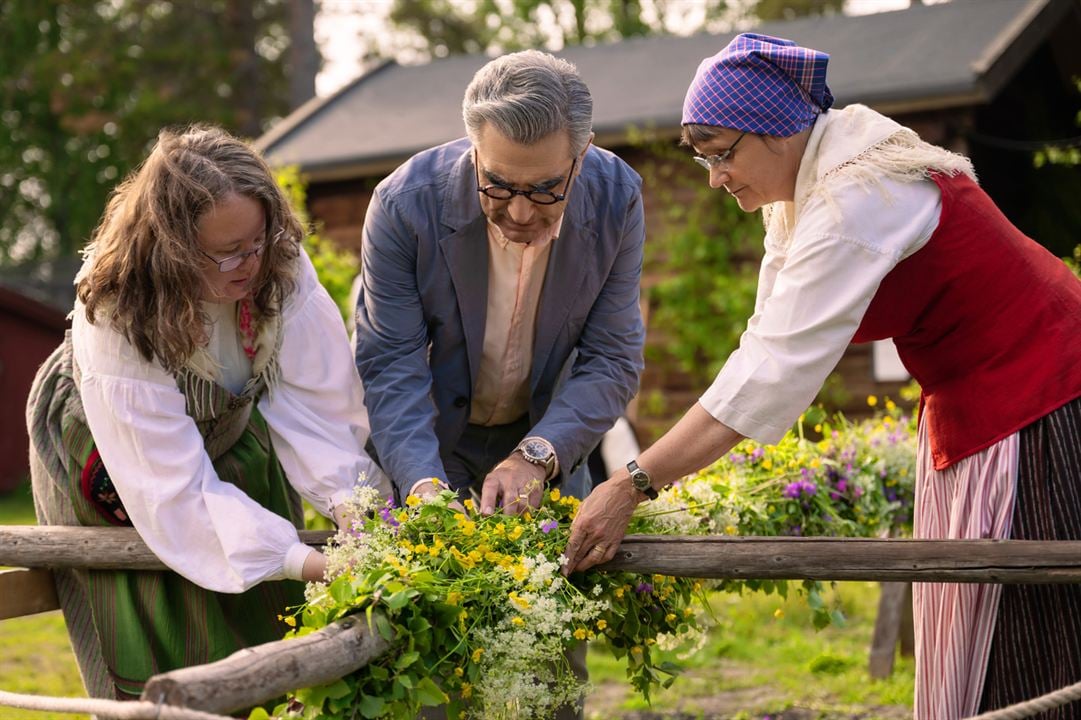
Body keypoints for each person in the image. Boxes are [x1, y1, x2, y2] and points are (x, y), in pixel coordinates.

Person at [563, 32, 1081, 720]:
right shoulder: (807, 194)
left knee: (1029, 632)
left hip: (1038, 398)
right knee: (980, 620)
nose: (714, 177)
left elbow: (773, 370)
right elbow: (761, 347)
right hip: (979, 406)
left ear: (776, 131)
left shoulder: (858, 196)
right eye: (703, 159)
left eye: (721, 153)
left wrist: (632, 484)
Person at [27, 124, 387, 700]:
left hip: (230, 427)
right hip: (112, 456)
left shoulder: (280, 264)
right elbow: (171, 488)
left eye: (256, 242)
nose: (248, 265)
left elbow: (318, 408)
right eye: (224, 254)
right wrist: (305, 561)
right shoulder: (118, 307)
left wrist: (357, 508)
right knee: (162, 626)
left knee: (269, 623)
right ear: (171, 250)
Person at [354, 49, 645, 514]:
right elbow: (391, 364)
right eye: (498, 185)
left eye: (546, 188)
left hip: (547, 430)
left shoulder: (619, 201)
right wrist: (422, 484)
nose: (520, 212)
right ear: (475, 149)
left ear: (582, 152)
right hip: (427, 435)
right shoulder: (403, 207)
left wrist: (537, 454)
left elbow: (611, 357)